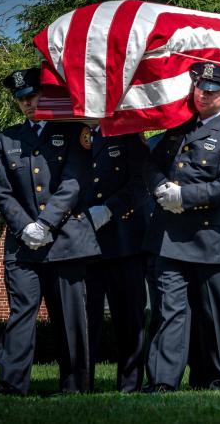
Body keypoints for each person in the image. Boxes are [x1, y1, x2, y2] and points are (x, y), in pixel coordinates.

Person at [0, 68, 101, 396]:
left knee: (70, 317)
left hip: (66, 240)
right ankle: (11, 384)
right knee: (21, 313)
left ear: (46, 95)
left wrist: (46, 223)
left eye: (33, 96)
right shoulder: (7, 139)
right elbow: (2, 191)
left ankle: (75, 385)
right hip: (23, 246)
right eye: (21, 99)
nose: (28, 104)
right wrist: (26, 228)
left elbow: (75, 181)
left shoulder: (72, 131)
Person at [143, 62, 220, 391]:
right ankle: (163, 380)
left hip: (211, 239)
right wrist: (161, 187)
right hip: (170, 236)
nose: (205, 95)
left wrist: (184, 196)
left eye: (213, 90)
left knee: (215, 316)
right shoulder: (177, 129)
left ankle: (219, 378)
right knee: (169, 311)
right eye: (201, 88)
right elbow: (148, 163)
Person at [84, 125, 150, 392]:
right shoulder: (73, 133)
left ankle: (130, 384)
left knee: (129, 318)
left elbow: (141, 181)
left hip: (125, 240)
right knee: (85, 319)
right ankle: (81, 382)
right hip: (85, 241)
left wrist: (110, 209)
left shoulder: (127, 131)